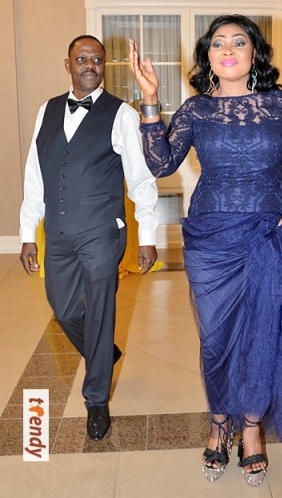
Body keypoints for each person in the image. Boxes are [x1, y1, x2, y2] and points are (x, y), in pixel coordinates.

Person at [129, 15, 282, 485]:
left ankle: (250, 429)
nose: (227, 49)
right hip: (211, 240)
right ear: (208, 57)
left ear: (255, 53)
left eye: (239, 41)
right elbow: (161, 164)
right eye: (218, 43)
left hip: (269, 235)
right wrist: (150, 99)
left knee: (262, 337)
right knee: (215, 341)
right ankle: (218, 423)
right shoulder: (196, 109)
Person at [20, 35, 158, 441]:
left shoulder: (122, 114)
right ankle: (103, 353)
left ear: (104, 66)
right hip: (58, 231)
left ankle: (96, 400)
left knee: (99, 313)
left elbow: (141, 179)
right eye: (81, 59)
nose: (89, 65)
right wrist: (27, 233)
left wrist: (147, 235)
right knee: (63, 309)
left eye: (97, 60)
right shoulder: (46, 110)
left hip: (102, 230)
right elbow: (34, 176)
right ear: (68, 65)